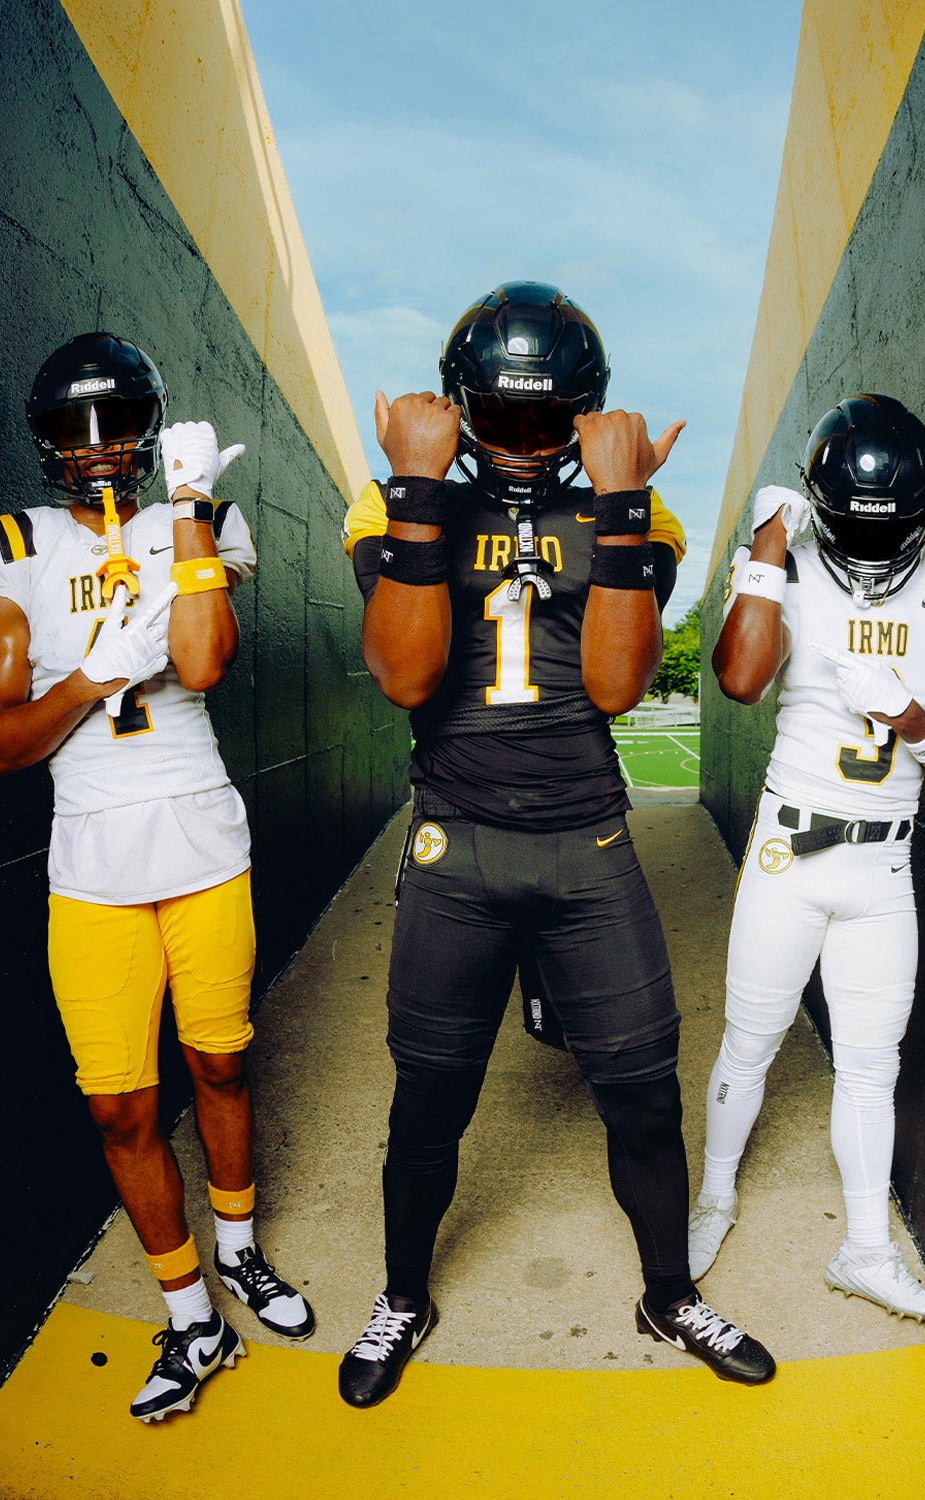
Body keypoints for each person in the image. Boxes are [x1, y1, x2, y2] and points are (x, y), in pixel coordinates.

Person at [337, 281, 776, 1408]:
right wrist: (421, 491)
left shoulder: (636, 513)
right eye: (504, 421)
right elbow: (405, 677)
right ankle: (402, 1295)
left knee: (640, 1092)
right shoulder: (389, 503)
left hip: (587, 848)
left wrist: (624, 506)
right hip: (459, 852)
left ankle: (667, 1293)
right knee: (429, 1098)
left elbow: (621, 686)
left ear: (587, 417)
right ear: (459, 408)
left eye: (549, 425)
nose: (528, 449)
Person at [0, 332, 313, 1423]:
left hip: (205, 844)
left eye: (115, 422)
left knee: (219, 1066)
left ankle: (243, 1247)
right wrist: (92, 674)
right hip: (93, 862)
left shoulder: (192, 517)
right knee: (122, 1107)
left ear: (149, 429)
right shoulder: (13, 541)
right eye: (73, 429)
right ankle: (191, 1319)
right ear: (43, 442)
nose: (94, 447)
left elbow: (205, 660)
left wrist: (196, 509)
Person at [687, 393, 925, 1322]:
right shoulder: (793, 559)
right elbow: (739, 681)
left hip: (885, 865)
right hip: (792, 848)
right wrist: (769, 552)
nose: (874, 545)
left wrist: (906, 714)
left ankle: (864, 1251)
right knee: (752, 1038)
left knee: (872, 1064)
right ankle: (714, 1200)